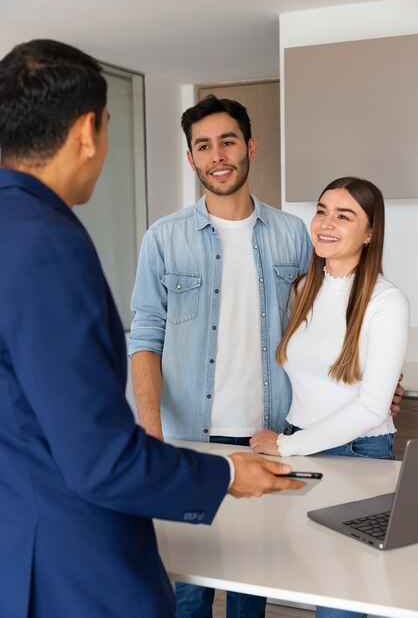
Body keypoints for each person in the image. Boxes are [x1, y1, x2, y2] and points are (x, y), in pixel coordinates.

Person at [0, 41, 304, 618]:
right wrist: (218, 472)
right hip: (74, 569)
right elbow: (99, 456)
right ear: (89, 131)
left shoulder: (293, 235)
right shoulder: (48, 243)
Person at [129, 94, 312, 617]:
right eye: (203, 146)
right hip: (189, 439)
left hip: (267, 435)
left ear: (249, 147)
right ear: (191, 158)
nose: (218, 155)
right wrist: (150, 431)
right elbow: (145, 336)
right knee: (189, 592)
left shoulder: (292, 235)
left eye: (227, 141)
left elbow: (317, 332)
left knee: (252, 586)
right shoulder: (164, 238)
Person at [250, 176, 409, 618]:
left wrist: (285, 445)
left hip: (358, 454)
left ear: (370, 232)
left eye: (345, 215)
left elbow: (372, 408)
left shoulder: (386, 301)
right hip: (307, 452)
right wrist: (292, 443)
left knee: (344, 600)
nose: (326, 223)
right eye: (322, 210)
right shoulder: (304, 290)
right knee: (322, 582)